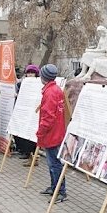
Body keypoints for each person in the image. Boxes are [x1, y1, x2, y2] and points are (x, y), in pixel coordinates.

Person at [36, 64, 67, 202]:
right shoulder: (56, 90)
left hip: (51, 134)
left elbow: (48, 117)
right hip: (57, 132)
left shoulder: (50, 93)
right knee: (52, 163)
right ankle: (54, 187)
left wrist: (40, 133)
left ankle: (60, 191)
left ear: (44, 77)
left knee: (54, 163)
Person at [14, 64, 40, 165]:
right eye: (28, 73)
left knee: (32, 136)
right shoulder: (22, 83)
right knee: (22, 134)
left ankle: (34, 157)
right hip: (24, 112)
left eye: (32, 73)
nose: (30, 75)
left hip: (33, 113)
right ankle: (27, 153)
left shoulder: (38, 84)